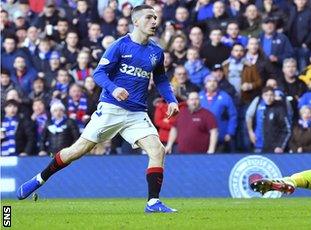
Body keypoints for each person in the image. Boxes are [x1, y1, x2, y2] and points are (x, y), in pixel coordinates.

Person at [16, 5, 180, 213]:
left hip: (136, 113)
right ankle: (40, 178)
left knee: (158, 150)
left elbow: (161, 79)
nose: (154, 22)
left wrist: (171, 100)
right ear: (136, 21)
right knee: (76, 151)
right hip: (111, 108)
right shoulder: (120, 46)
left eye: (156, 18)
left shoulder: (156, 51)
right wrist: (115, 88)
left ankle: (153, 203)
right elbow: (99, 74)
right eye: (149, 17)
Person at [199, 75, 238, 153]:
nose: (212, 83)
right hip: (202, 137)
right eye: (209, 81)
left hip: (221, 136)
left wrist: (230, 133)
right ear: (205, 84)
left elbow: (233, 115)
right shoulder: (199, 96)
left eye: (214, 81)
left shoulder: (225, 97)